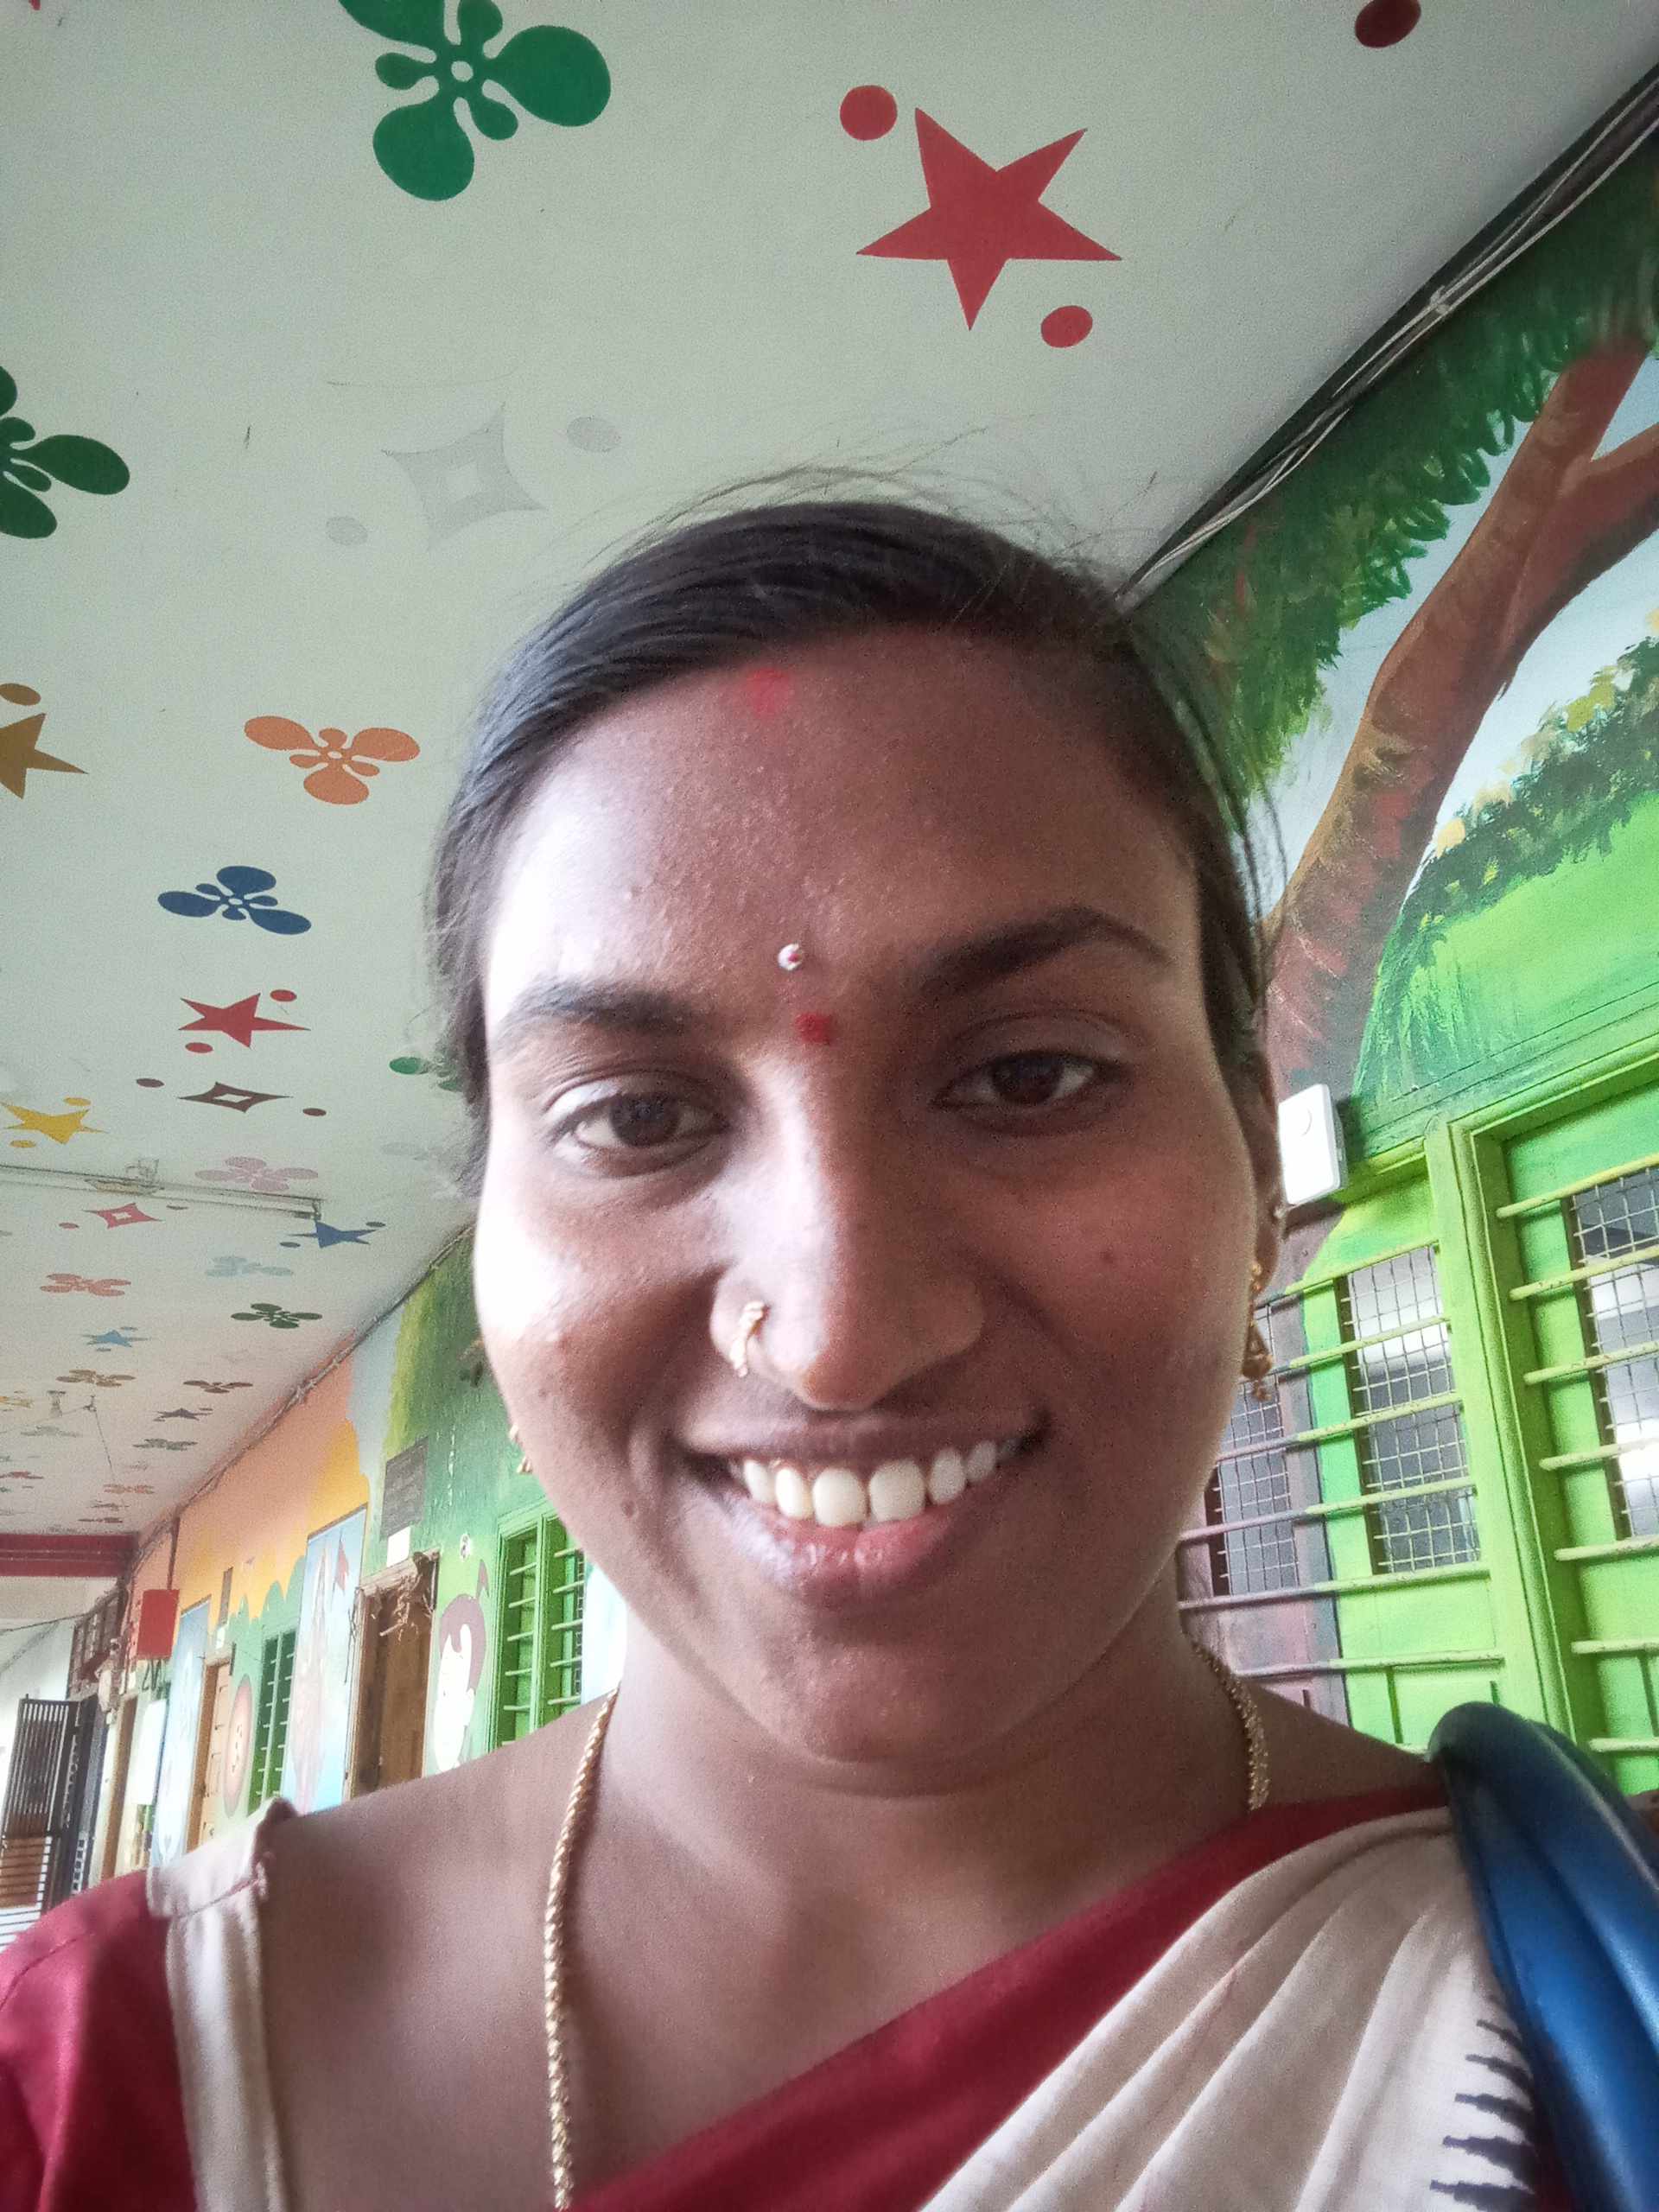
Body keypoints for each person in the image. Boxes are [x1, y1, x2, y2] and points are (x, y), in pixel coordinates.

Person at [0, 498, 1586, 2209]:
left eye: (1029, 1076)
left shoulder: (1600, 2011)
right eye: (637, 1115)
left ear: (1260, 1167)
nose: (839, 1337)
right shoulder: (89, 2095)